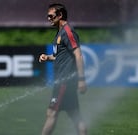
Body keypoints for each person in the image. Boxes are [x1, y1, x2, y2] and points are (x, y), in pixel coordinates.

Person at [39, 3, 87, 135]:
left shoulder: (68, 32)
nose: (48, 18)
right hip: (63, 81)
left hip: (64, 82)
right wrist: (48, 57)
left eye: (51, 16)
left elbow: (78, 55)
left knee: (51, 113)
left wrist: (82, 80)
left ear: (59, 15)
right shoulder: (60, 33)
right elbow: (61, 57)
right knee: (75, 116)